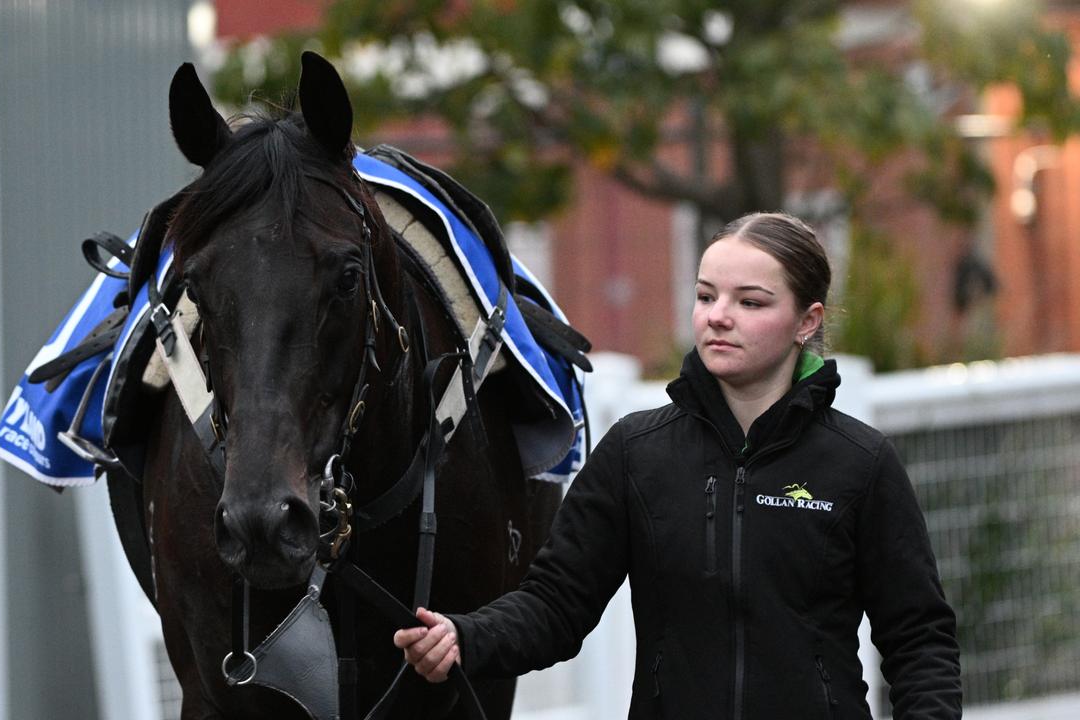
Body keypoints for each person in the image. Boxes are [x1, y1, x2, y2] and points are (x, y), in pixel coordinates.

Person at [393, 212, 961, 718]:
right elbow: (556, 605)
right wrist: (466, 636)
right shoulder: (636, 453)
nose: (719, 316)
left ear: (806, 321)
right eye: (706, 295)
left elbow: (919, 640)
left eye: (750, 301)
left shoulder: (861, 463)